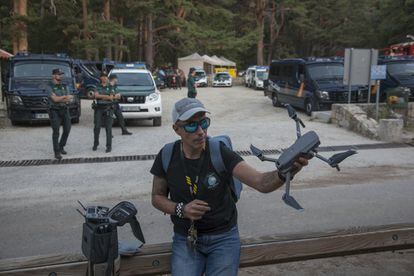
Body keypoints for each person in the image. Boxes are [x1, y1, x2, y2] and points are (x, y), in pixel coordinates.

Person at [150, 98, 310, 276]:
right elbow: (157, 197)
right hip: (185, 239)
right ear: (176, 129)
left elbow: (260, 182)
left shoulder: (219, 151)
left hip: (223, 238)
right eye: (191, 126)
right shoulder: (167, 155)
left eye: (204, 122)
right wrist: (181, 209)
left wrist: (286, 172)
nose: (201, 131)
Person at [48, 68, 73, 160]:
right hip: (54, 111)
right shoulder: (49, 86)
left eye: (61, 74)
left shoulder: (64, 85)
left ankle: (61, 146)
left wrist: (61, 98)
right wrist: (64, 97)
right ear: (53, 76)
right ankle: (57, 151)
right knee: (56, 132)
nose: (60, 76)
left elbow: (69, 99)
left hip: (64, 109)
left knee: (67, 129)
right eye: (58, 74)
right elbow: (54, 100)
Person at [93, 72, 115, 153]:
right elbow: (96, 96)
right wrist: (106, 96)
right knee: (97, 127)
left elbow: (111, 98)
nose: (105, 78)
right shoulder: (97, 86)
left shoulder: (111, 87)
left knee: (108, 128)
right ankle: (96, 143)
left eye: (106, 77)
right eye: (103, 76)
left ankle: (109, 146)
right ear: (100, 78)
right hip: (98, 109)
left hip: (108, 108)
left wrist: (101, 96)